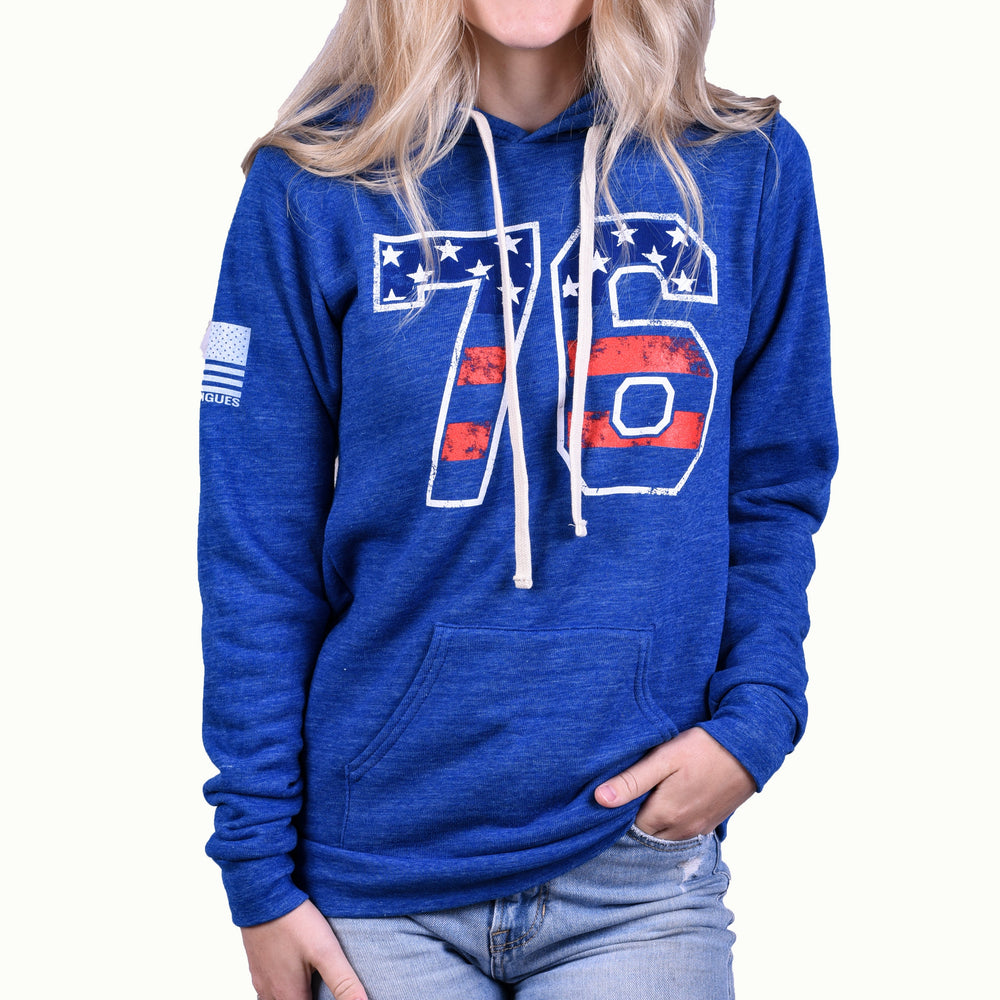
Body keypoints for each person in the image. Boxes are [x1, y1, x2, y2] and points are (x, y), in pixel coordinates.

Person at [198, 1, 836, 998]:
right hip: (374, 882)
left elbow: (775, 483)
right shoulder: (313, 185)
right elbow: (256, 550)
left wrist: (756, 723)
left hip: (636, 867)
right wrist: (257, 875)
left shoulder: (744, 168)